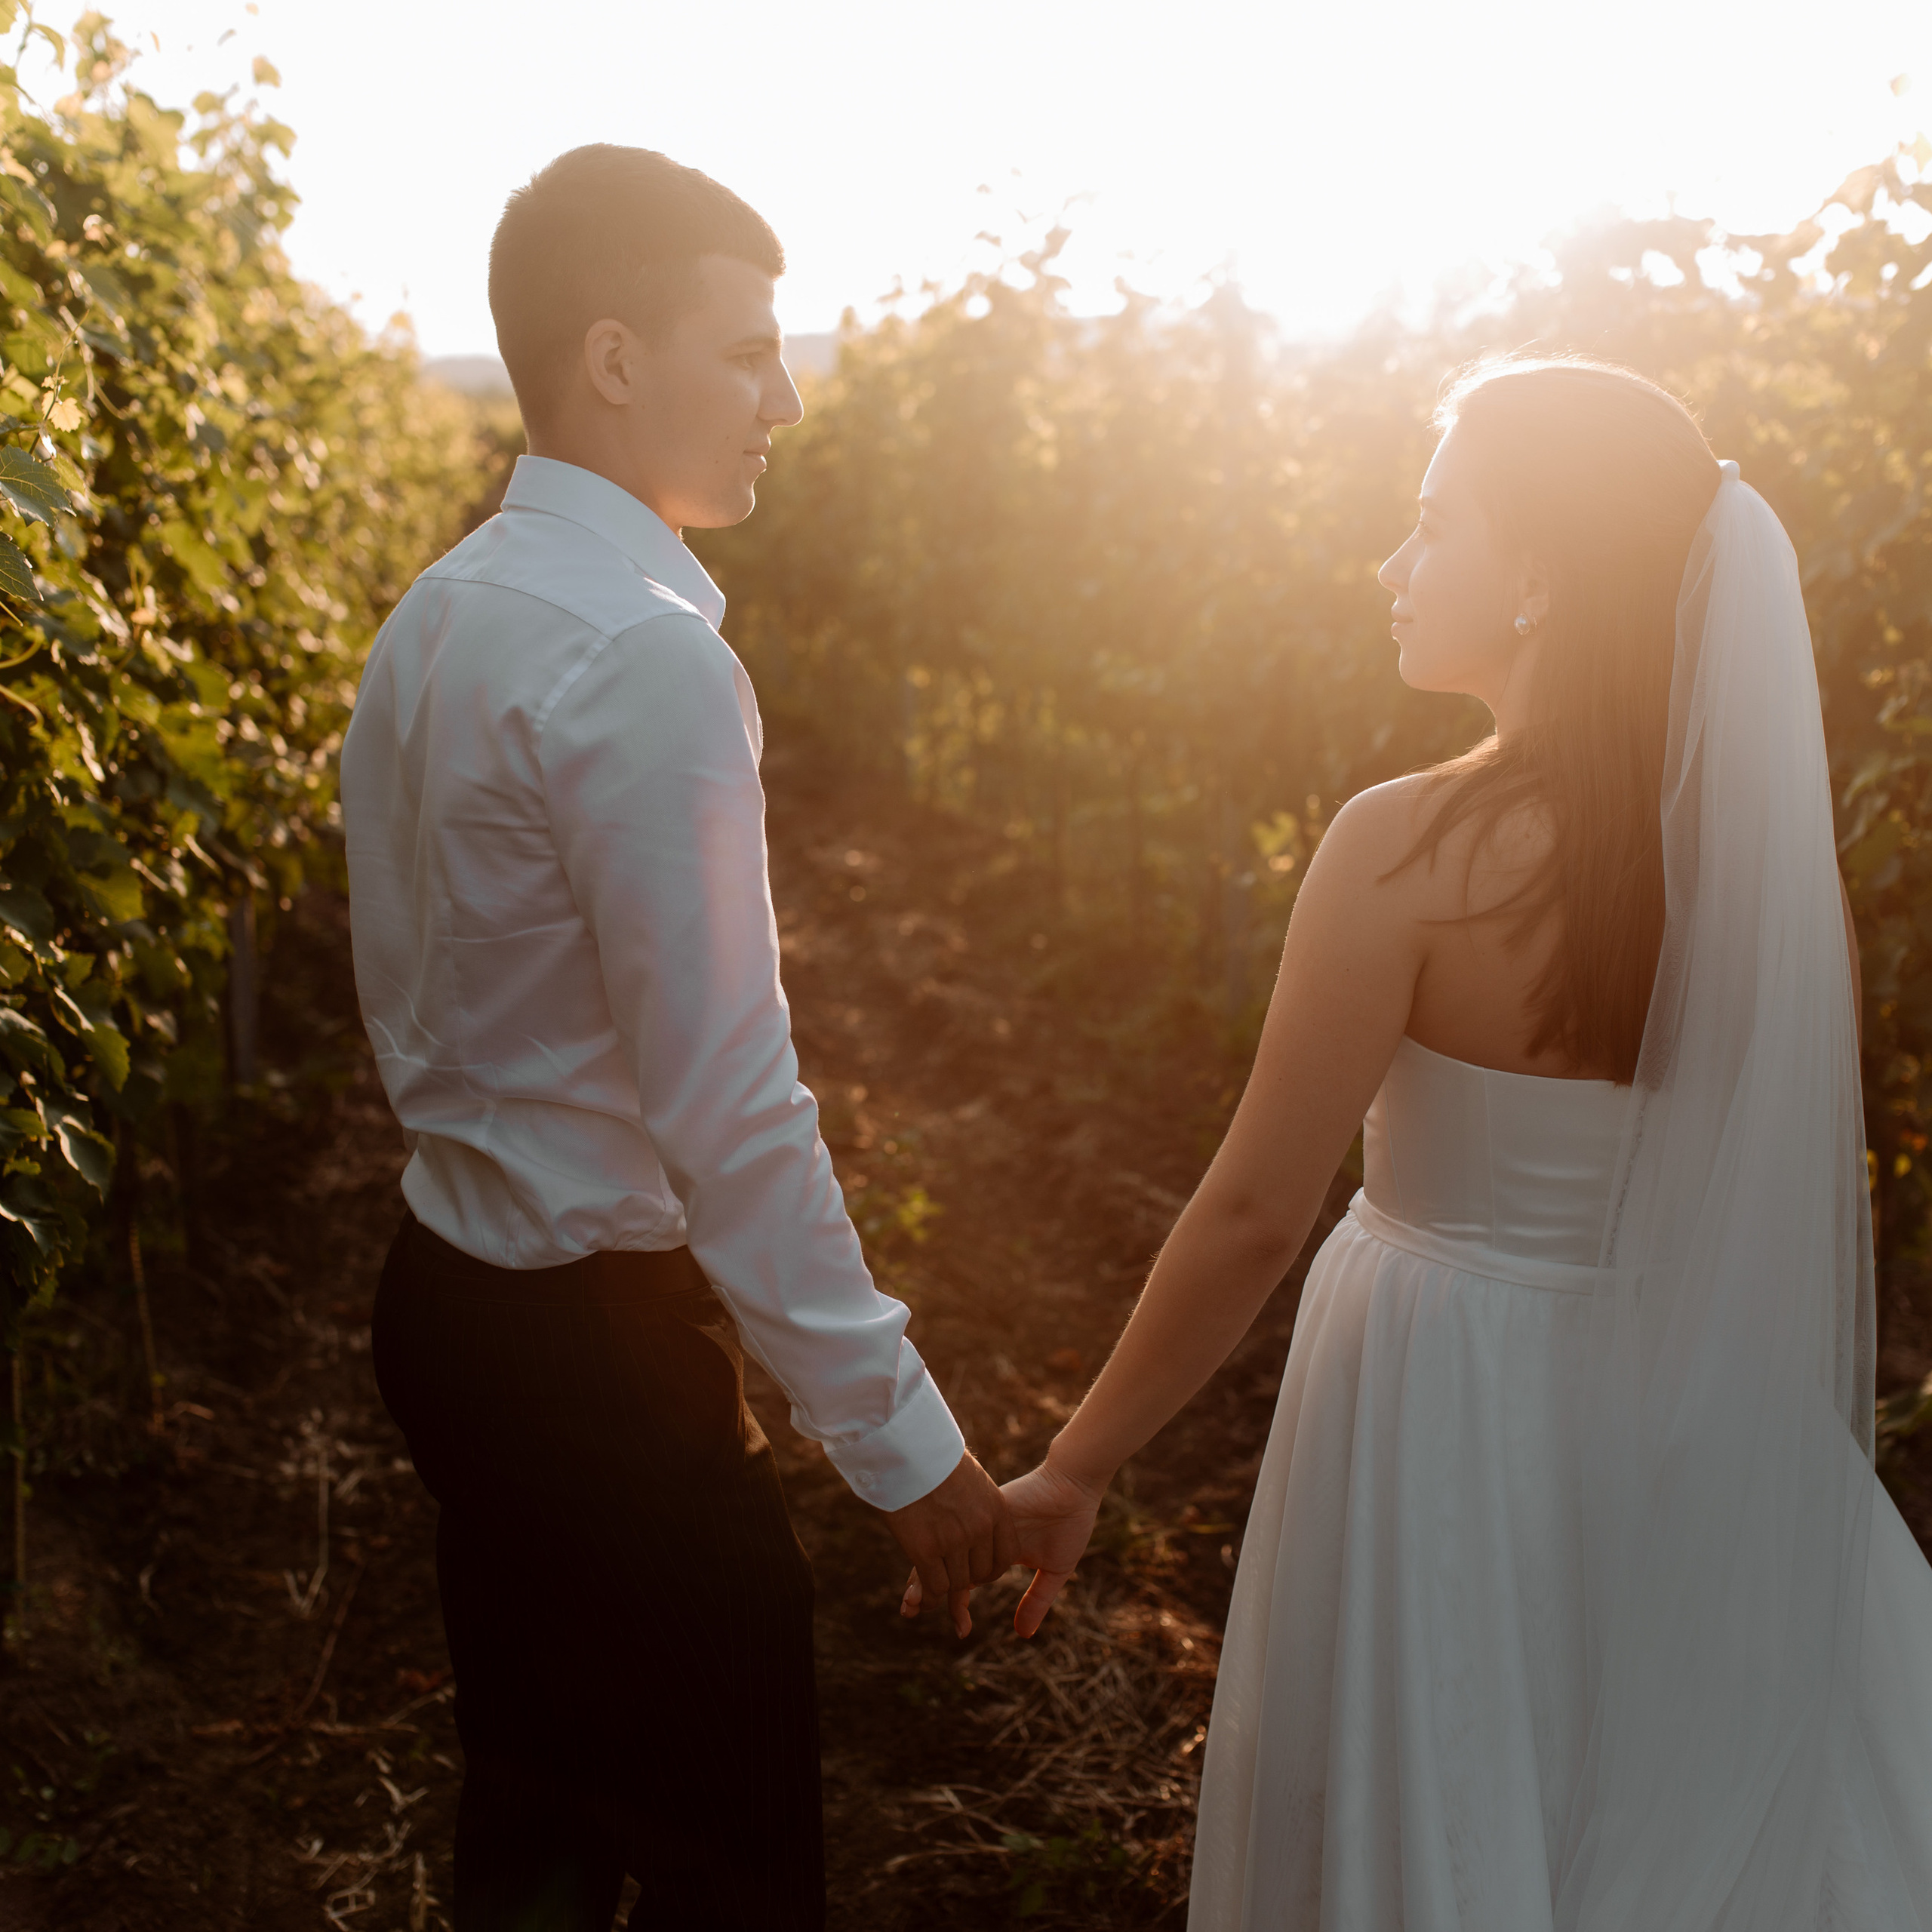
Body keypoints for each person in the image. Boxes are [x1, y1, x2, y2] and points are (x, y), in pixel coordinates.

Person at [992, 358, 1932, 1927]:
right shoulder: (1776, 882)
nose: (1390, 564)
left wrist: (1074, 1463)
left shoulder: (1407, 847)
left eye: (1431, 523)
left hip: (1448, 1389)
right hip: (1701, 1403)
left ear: (1539, 578)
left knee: (1459, 1777)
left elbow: (1254, 1209)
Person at [340, 145, 1015, 1932]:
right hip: (594, 1356)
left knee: (540, 1833)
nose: (782, 399)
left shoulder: (439, 609)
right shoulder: (641, 657)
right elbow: (731, 1110)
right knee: (734, 1871)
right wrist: (902, 1442)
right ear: (616, 358)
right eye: (747, 352)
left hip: (450, 1298)